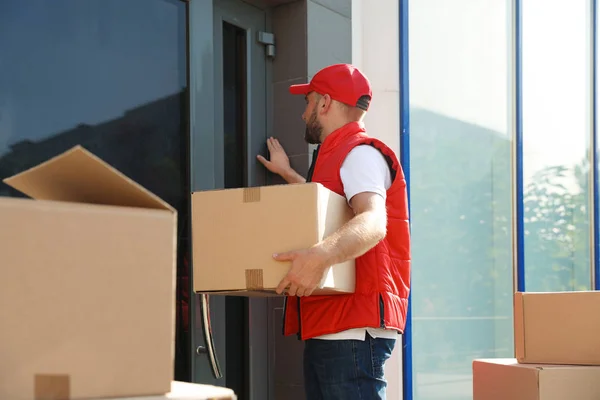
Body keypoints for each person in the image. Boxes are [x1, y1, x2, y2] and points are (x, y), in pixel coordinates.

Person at [256, 63, 411, 400]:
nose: (303, 114)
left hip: (351, 328)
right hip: (336, 324)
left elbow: (373, 221)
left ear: (325, 104)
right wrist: (288, 175)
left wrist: (320, 256)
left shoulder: (360, 153)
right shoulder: (341, 155)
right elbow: (334, 208)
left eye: (308, 103)